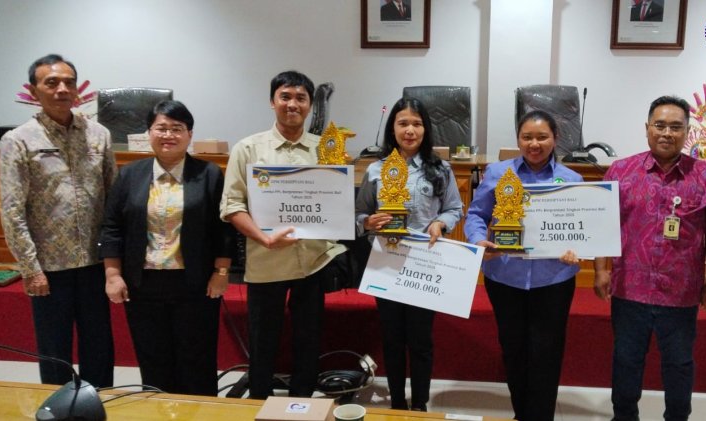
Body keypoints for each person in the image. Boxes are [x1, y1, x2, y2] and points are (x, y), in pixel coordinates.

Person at [593, 96, 706, 421]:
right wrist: (600, 269)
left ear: (687, 132)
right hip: (630, 289)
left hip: (681, 292)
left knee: (679, 365)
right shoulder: (620, 171)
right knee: (626, 362)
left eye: (676, 127)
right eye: (660, 125)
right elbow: (603, 222)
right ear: (647, 128)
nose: (667, 133)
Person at [220, 70, 346, 399]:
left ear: (309, 105)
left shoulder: (327, 149)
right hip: (267, 261)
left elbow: (336, 201)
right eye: (285, 97)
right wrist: (264, 238)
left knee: (308, 340)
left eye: (301, 98)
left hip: (313, 262)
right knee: (263, 341)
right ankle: (259, 402)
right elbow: (232, 206)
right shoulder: (248, 148)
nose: (293, 104)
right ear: (272, 102)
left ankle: (301, 403)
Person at [99, 100, 236, 395]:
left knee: (197, 358)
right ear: (149, 133)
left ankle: (200, 411)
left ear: (189, 134)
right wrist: (113, 274)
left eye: (177, 128)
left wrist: (222, 272)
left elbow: (223, 228)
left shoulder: (209, 174)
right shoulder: (129, 174)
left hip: (195, 283)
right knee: (153, 358)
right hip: (143, 284)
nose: (168, 135)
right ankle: (158, 409)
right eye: (161, 128)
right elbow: (111, 226)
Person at [0, 54, 115, 387]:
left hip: (95, 262)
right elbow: (12, 210)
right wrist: (31, 268)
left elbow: (112, 199)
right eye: (51, 83)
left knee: (99, 344)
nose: (62, 89)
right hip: (49, 268)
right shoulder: (19, 140)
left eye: (68, 82)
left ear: (77, 89)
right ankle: (58, 405)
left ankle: (99, 401)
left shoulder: (98, 135)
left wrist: (114, 261)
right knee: (54, 348)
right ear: (34, 91)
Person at [464, 110, 582, 421]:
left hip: (554, 279)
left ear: (555, 138)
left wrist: (578, 249)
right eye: (527, 137)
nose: (534, 144)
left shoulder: (572, 180)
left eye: (542, 137)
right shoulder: (497, 172)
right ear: (518, 139)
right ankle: (521, 413)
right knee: (513, 349)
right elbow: (476, 215)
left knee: (547, 353)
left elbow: (582, 230)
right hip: (505, 277)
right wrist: (478, 240)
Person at [355, 97, 463, 411]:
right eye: (403, 123)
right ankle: (398, 402)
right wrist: (368, 222)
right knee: (392, 338)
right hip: (386, 263)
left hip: (423, 263)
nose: (410, 130)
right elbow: (359, 214)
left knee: (420, 339)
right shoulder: (375, 170)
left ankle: (419, 403)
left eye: (417, 124)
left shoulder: (440, 169)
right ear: (393, 128)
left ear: (426, 129)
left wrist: (441, 223)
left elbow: (455, 208)